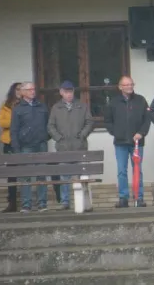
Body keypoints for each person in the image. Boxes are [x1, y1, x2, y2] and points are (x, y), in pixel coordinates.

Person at [104, 76, 151, 208]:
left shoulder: (140, 100)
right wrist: (116, 132)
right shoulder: (113, 102)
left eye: (131, 84)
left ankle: (139, 197)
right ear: (120, 87)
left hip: (137, 143)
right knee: (121, 171)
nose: (130, 87)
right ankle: (123, 198)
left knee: (137, 170)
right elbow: (107, 121)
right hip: (120, 143)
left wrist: (141, 133)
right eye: (126, 85)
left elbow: (147, 120)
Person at [47, 81, 94, 210]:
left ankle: (85, 201)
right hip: (63, 148)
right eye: (66, 92)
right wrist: (58, 138)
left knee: (82, 176)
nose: (69, 94)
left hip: (80, 147)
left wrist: (82, 135)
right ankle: (65, 202)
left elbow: (89, 122)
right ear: (61, 92)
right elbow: (50, 126)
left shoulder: (82, 106)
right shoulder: (56, 108)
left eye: (71, 91)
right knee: (64, 176)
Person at [10, 82, 50, 213]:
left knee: (41, 175)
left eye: (34, 89)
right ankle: (26, 205)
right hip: (25, 146)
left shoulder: (42, 106)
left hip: (41, 144)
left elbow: (49, 124)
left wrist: (45, 137)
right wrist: (16, 148)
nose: (33, 91)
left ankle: (42, 204)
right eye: (29, 89)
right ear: (22, 92)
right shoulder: (18, 109)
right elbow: (14, 130)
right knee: (25, 176)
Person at [0, 82, 21, 213]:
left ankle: (26, 203)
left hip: (22, 142)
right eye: (17, 89)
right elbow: (2, 122)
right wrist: (16, 121)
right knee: (11, 174)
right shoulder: (6, 105)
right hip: (8, 142)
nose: (19, 91)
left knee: (24, 173)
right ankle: (11, 203)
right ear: (13, 90)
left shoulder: (25, 104)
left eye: (21, 89)